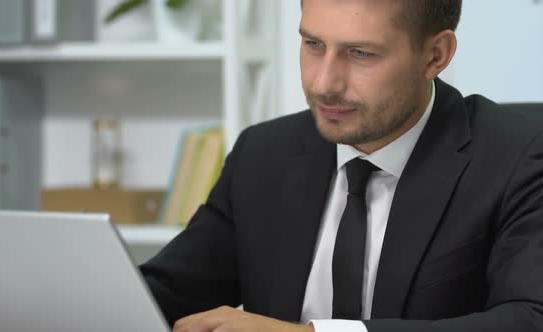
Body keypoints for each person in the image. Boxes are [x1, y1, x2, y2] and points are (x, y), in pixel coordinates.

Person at [140, 0, 543, 331]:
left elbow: (529, 318)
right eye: (313, 45)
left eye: (360, 53)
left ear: (436, 55)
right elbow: (166, 293)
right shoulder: (264, 153)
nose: (324, 83)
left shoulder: (518, 157)